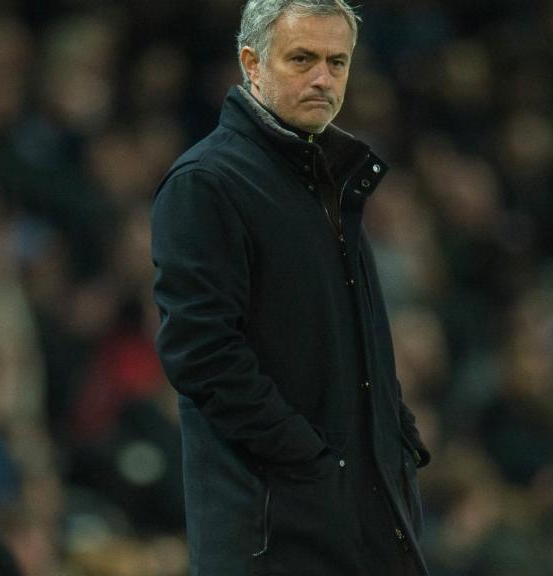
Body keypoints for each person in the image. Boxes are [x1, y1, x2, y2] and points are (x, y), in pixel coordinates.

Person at [150, 1, 431, 575]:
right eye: (301, 58)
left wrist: (394, 442)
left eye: (337, 62)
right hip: (273, 536)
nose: (323, 78)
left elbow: (356, 348)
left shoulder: (329, 178)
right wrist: (312, 464)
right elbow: (202, 356)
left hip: (356, 523)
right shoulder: (208, 183)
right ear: (252, 64)